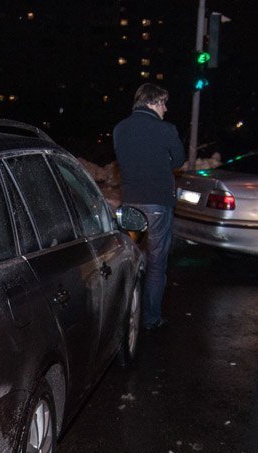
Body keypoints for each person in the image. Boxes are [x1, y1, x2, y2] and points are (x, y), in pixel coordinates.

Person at [113, 83, 185, 331]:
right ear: (152, 102)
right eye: (163, 103)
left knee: (128, 259)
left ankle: (123, 313)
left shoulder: (120, 128)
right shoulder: (166, 130)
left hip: (130, 203)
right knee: (156, 263)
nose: (165, 108)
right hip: (157, 205)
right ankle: (151, 318)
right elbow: (179, 160)